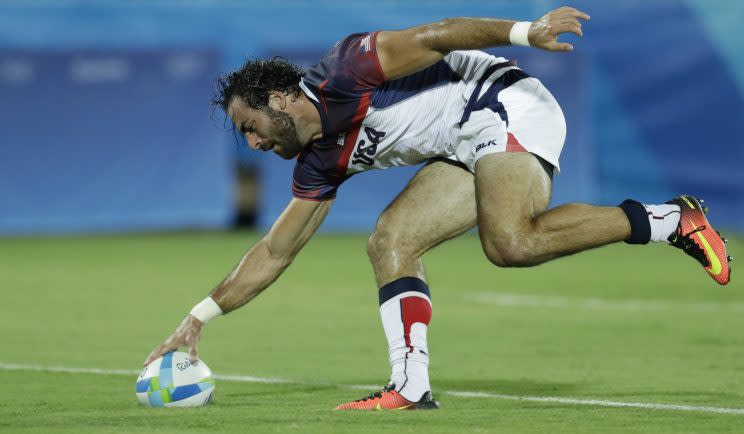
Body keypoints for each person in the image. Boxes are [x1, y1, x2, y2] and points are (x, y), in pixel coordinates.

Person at [144, 6, 732, 410]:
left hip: (503, 103)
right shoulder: (318, 161)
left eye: (251, 128)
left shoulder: (349, 69)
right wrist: (198, 318)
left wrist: (529, 31)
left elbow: (436, 36)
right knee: (390, 240)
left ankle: (672, 220)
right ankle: (409, 386)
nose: (252, 145)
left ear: (277, 99)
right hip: (460, 143)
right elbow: (275, 251)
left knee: (511, 245)